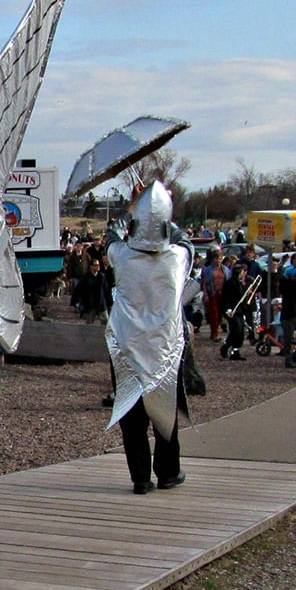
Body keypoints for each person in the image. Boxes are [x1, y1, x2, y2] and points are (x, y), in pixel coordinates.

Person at [105, 182, 190, 495]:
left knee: (131, 412)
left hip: (127, 346)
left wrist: (134, 207)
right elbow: (181, 238)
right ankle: (168, 472)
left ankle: (141, 476)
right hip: (165, 346)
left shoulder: (123, 257)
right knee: (165, 406)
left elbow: (111, 235)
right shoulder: (176, 258)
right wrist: (160, 206)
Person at [218, 256, 248, 360]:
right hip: (231, 311)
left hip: (239, 311)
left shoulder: (240, 283)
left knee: (240, 331)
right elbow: (225, 298)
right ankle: (226, 346)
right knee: (236, 329)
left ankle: (235, 351)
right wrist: (227, 310)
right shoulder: (229, 283)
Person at [199, 249, 227, 341]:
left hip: (223, 295)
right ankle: (215, 334)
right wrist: (206, 295)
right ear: (212, 259)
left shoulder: (225, 270)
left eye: (219, 258)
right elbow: (204, 283)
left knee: (220, 316)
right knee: (214, 315)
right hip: (212, 295)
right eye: (216, 259)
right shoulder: (207, 270)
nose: (218, 260)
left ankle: (214, 332)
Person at [72, 257, 111, 323]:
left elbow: (106, 290)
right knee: (89, 323)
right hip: (90, 304)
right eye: (96, 265)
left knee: (106, 321)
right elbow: (79, 289)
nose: (98, 267)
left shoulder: (102, 276)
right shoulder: (86, 277)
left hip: (101, 303)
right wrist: (75, 301)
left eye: (98, 265)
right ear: (91, 267)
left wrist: (110, 303)